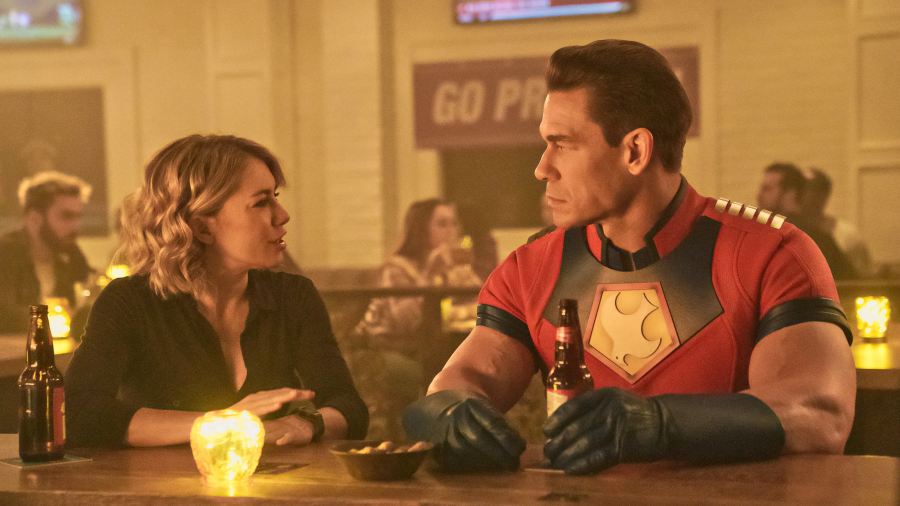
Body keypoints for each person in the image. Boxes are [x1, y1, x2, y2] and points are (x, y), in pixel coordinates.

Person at [404, 39, 856, 475]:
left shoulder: (772, 254)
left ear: (635, 151)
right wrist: (451, 413)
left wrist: (660, 425)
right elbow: (459, 384)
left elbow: (820, 412)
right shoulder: (530, 268)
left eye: (563, 143)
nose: (542, 168)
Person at [65, 134, 367, 447]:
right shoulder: (129, 301)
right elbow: (77, 413)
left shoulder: (292, 295)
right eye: (261, 202)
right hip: (160, 480)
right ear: (202, 228)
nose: (282, 215)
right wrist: (220, 423)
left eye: (275, 197)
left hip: (268, 479)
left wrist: (307, 423)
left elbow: (349, 407)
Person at [354, 199, 480, 439]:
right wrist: (432, 272)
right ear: (421, 229)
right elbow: (405, 322)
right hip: (386, 345)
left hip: (433, 344)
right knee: (434, 370)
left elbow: (479, 303)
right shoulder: (397, 268)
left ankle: (458, 436)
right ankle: (428, 436)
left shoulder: (449, 265)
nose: (451, 231)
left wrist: (462, 272)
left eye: (454, 223)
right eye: (442, 224)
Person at [0, 171, 93, 333]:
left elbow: (89, 305)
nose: (75, 226)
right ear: (34, 219)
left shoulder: (72, 253)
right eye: (66, 216)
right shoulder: (5, 254)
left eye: (78, 217)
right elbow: (5, 316)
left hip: (60, 348)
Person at [756, 163, 856, 279]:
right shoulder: (821, 240)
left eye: (767, 189)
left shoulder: (816, 241)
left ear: (790, 194)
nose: (759, 195)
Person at [802, 168, 872, 277]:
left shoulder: (847, 235)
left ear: (824, 195)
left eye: (812, 191)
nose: (805, 196)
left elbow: (862, 278)